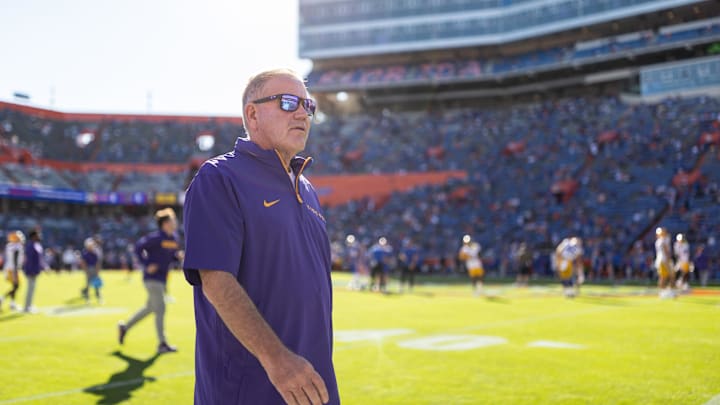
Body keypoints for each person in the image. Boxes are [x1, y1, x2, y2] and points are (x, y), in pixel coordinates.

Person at [182, 68, 338, 405]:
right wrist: (278, 361)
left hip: (313, 387)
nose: (302, 113)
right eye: (288, 102)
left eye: (307, 106)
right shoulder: (220, 177)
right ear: (252, 114)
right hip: (250, 388)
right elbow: (216, 281)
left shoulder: (307, 189)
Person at [118, 208, 183, 354]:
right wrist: (146, 264)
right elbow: (137, 248)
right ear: (165, 223)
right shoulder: (156, 237)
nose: (175, 222)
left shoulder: (174, 238)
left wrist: (177, 257)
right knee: (161, 309)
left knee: (150, 308)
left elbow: (169, 256)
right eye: (173, 220)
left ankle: (125, 327)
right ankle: (162, 344)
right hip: (152, 279)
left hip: (162, 278)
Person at [23, 229, 45, 313]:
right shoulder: (30, 245)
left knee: (32, 289)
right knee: (30, 289)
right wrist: (30, 270)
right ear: (33, 236)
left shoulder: (37, 245)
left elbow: (39, 259)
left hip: (35, 271)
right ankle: (27, 307)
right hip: (30, 271)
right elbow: (29, 260)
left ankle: (29, 305)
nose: (40, 236)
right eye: (38, 234)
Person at [2, 231, 25, 311]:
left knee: (15, 286)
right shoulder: (17, 247)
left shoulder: (9, 245)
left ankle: (12, 303)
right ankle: (2, 299)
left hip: (9, 268)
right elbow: (15, 261)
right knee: (16, 286)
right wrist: (15, 273)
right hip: (13, 269)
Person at [80, 237, 103, 304]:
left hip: (94, 269)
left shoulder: (95, 253)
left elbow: (97, 263)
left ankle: (99, 297)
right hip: (88, 269)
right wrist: (86, 271)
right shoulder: (85, 253)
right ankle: (87, 298)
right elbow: (83, 263)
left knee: (96, 284)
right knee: (88, 284)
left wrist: (97, 271)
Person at [654, 227, 675, 299]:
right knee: (669, 276)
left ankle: (664, 292)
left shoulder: (660, 240)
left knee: (664, 277)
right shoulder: (662, 240)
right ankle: (666, 292)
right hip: (664, 260)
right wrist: (669, 260)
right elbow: (666, 251)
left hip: (661, 260)